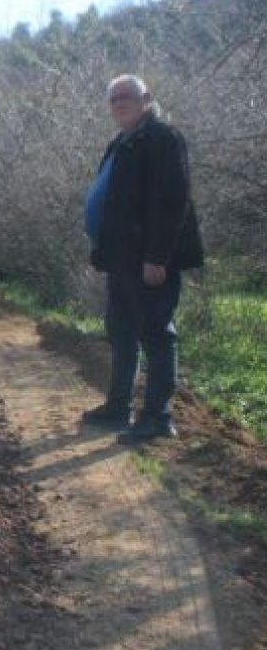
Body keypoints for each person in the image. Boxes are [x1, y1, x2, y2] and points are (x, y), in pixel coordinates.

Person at [82, 74, 203, 443]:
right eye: (113, 99)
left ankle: (157, 419)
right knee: (121, 332)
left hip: (149, 260)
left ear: (146, 98)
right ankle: (119, 406)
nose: (119, 103)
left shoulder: (163, 139)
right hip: (121, 259)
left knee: (156, 334)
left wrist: (157, 257)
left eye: (126, 97)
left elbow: (171, 201)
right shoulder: (122, 142)